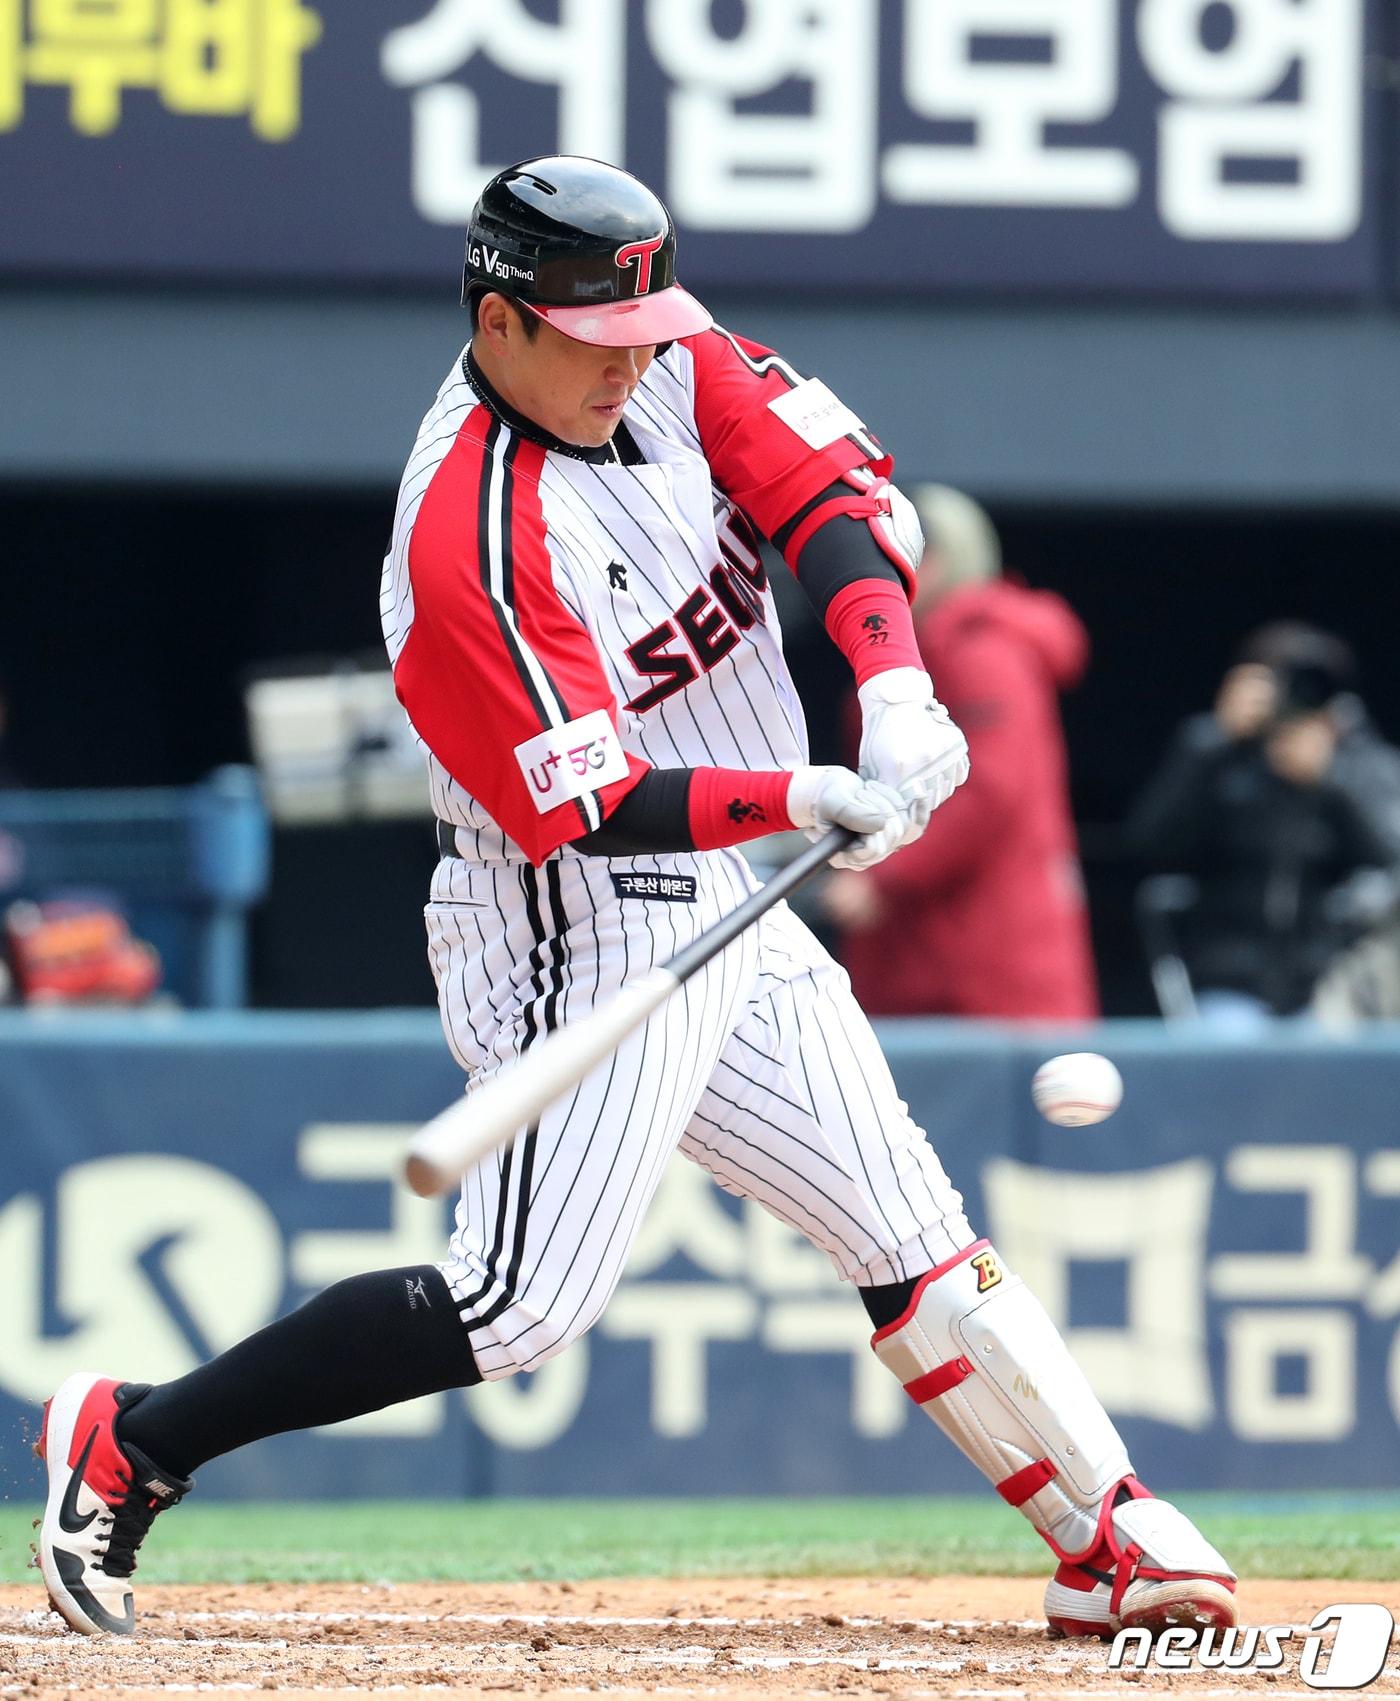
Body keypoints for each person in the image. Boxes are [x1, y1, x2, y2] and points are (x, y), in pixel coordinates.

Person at [37, 156, 1233, 1642]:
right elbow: (581, 803)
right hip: (573, 913)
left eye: (646, 326)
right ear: (497, 325)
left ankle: (1100, 1531)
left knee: (905, 1223)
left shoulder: (657, 350)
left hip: (732, 882)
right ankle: (134, 1439)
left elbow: (825, 494)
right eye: (597, 340)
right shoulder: (466, 534)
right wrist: (797, 796)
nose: (636, 361)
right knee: (516, 1305)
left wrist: (893, 678)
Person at [823, 485, 1098, 1019]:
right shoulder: (931, 648)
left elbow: (988, 793)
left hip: (985, 964)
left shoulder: (982, 653)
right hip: (936, 954)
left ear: (937, 560)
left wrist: (882, 877)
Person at [1126, 623, 1395, 1027]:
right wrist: (1215, 742)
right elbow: (1148, 844)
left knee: (1342, 1059)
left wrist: (1330, 781)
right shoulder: (1215, 755)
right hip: (1228, 980)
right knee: (1230, 1046)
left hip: (1328, 983)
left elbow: (1387, 856)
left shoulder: (1354, 759)